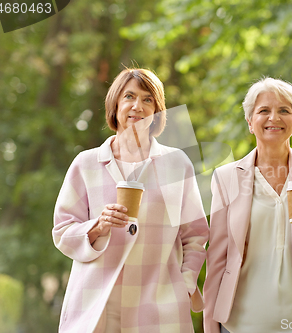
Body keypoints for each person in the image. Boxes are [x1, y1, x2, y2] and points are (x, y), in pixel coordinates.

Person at [53, 68, 209, 333]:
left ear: (157, 111)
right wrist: (98, 226)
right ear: (116, 104)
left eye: (148, 100)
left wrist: (184, 284)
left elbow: (194, 235)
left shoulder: (176, 164)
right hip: (96, 304)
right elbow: (62, 231)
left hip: (159, 306)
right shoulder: (86, 163)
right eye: (129, 96)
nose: (138, 106)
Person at [204, 78, 292, 333]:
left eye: (284, 110)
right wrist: (210, 326)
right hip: (243, 326)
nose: (274, 117)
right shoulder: (226, 177)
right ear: (250, 122)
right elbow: (217, 258)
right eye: (264, 111)